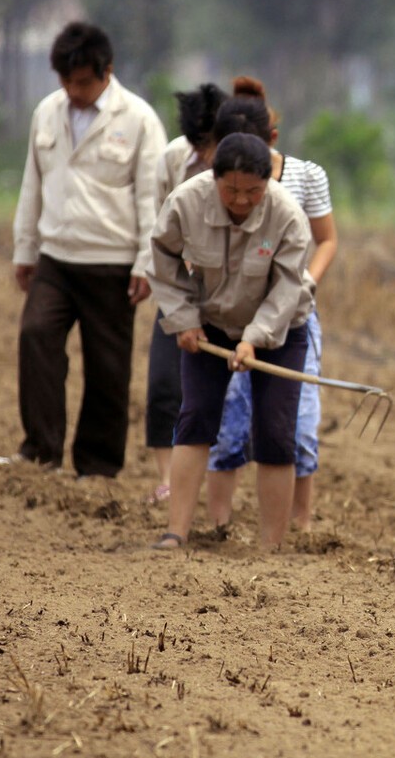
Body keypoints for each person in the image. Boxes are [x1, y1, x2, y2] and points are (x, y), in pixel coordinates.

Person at [0, 21, 166, 477]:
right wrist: (25, 249)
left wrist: (146, 263)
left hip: (112, 263)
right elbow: (33, 183)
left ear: (107, 71)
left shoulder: (139, 120)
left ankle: (97, 467)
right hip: (55, 257)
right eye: (66, 81)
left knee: (108, 368)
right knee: (35, 337)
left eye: (83, 81)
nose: (73, 90)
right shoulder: (47, 113)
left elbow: (152, 198)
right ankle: (40, 451)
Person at [147, 132, 315, 550]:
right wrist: (183, 319)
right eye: (232, 190)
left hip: (280, 330)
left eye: (253, 191)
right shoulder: (186, 201)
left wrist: (255, 340)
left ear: (268, 183)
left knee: (276, 431)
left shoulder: (289, 216)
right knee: (195, 417)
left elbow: (287, 289)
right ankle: (176, 533)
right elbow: (163, 259)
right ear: (214, 177)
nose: (241, 201)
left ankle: (270, 547)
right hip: (210, 324)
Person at [200, 77, 339, 533]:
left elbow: (326, 241)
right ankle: (217, 523)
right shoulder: (210, 185)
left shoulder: (305, 177)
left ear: (271, 140)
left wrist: (301, 287)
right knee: (230, 420)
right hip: (230, 318)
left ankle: (298, 524)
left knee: (293, 422)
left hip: (289, 318)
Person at [146, 82, 230, 503]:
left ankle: (217, 484)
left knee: (221, 395)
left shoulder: (241, 166)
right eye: (202, 144)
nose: (209, 154)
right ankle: (167, 479)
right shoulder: (173, 158)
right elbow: (158, 224)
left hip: (226, 291)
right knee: (164, 381)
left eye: (214, 143)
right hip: (178, 284)